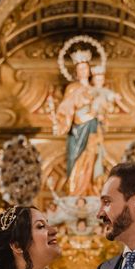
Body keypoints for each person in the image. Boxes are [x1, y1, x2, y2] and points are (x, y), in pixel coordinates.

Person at [54, 49, 102, 196]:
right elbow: (65, 109)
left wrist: (98, 114)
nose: (83, 71)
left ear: (89, 71)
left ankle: (91, 189)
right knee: (75, 159)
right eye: (80, 69)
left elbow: (103, 110)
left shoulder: (95, 89)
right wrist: (61, 120)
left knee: (91, 158)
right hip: (76, 130)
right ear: (76, 72)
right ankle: (75, 191)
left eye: (85, 68)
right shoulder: (72, 89)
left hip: (93, 129)